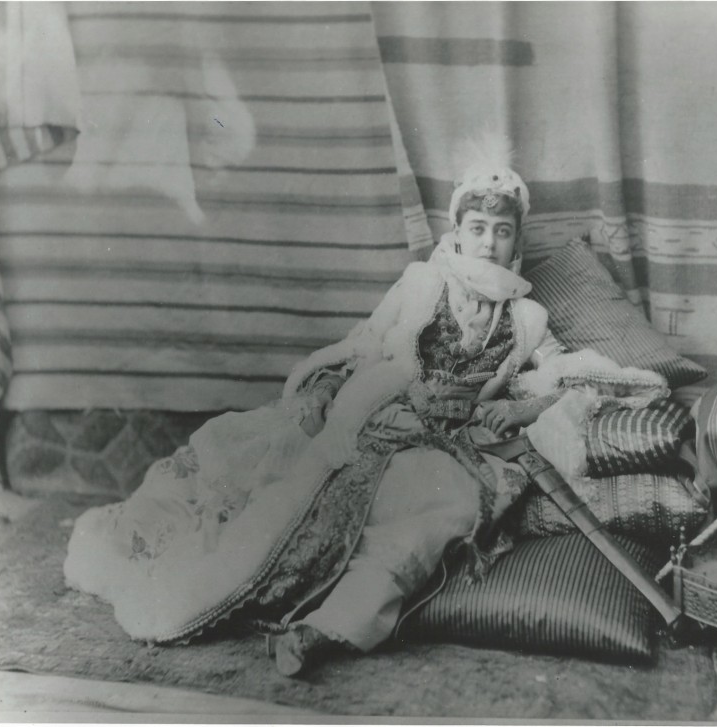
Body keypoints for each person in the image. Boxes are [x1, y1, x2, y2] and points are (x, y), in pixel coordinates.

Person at [63, 138, 667, 677]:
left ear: (517, 239)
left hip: (450, 445)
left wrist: (521, 413)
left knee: (432, 520)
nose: (488, 240)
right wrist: (323, 392)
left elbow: (562, 377)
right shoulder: (421, 285)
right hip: (379, 418)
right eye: (478, 226)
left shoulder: (528, 319)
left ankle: (327, 631)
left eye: (502, 230)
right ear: (457, 231)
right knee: (283, 495)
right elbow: (366, 347)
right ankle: (232, 586)